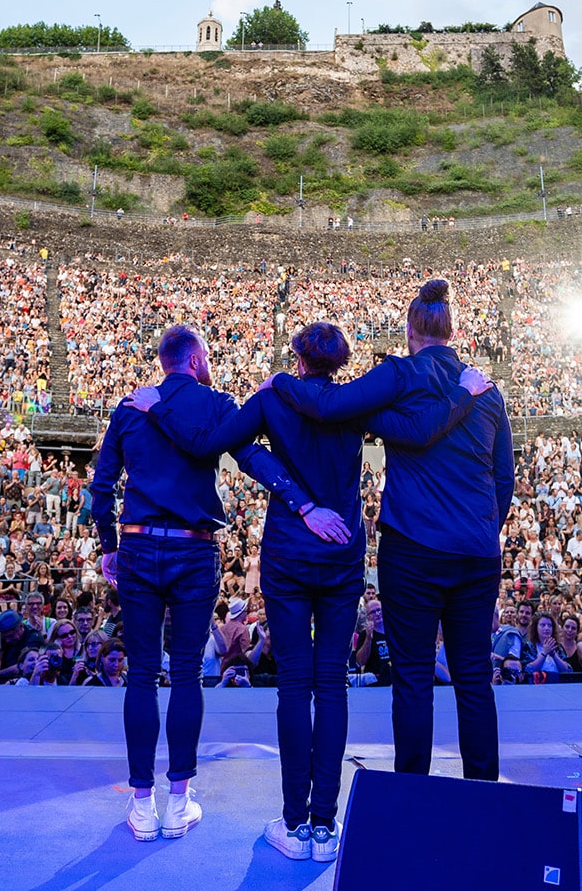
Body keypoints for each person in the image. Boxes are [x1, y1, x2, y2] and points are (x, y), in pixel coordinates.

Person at [128, 317, 485, 859]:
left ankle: (294, 823)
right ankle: (326, 826)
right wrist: (462, 394)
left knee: (295, 686)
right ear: (339, 363)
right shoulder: (354, 404)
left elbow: (205, 445)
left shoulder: (274, 396)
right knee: (332, 685)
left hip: (290, 551)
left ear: (297, 358)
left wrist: (156, 405)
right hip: (342, 550)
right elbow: (416, 431)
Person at [91, 325, 344, 844]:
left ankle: (142, 805)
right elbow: (248, 455)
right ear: (196, 358)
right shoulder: (216, 403)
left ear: (163, 362)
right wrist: (302, 501)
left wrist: (108, 544)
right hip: (190, 546)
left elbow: (102, 484)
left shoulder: (130, 408)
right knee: (185, 673)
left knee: (141, 673)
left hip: (137, 544)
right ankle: (179, 801)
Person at [268, 279, 514, 783]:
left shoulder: (399, 374)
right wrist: (486, 527)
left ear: (409, 330)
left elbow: (329, 406)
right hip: (477, 550)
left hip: (414, 548)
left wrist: (279, 383)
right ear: (453, 330)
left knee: (414, 679)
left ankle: (411, 795)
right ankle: (484, 797)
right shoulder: (486, 391)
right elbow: (504, 476)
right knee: (473, 679)